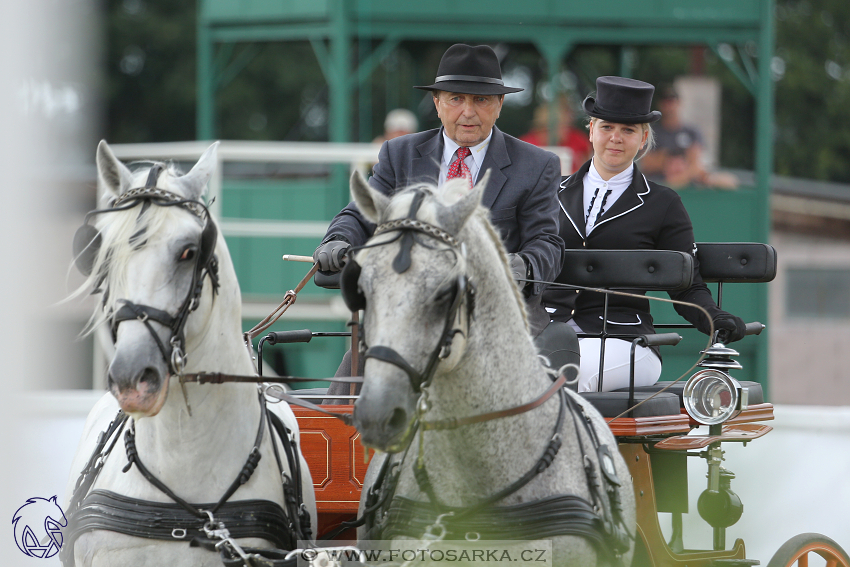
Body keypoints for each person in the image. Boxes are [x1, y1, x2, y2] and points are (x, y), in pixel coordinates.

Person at [314, 43, 564, 386]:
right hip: (408, 315)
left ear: (499, 105)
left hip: (495, 320)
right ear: (437, 103)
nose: (468, 112)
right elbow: (361, 214)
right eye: (456, 99)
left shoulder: (537, 165)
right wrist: (338, 240)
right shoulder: (398, 153)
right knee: (344, 396)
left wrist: (515, 268)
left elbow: (547, 244)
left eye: (481, 100)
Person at [541, 76, 747, 393]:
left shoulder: (663, 203)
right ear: (591, 129)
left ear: (643, 137)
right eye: (607, 127)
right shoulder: (551, 192)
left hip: (625, 340)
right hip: (548, 328)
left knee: (562, 376)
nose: (616, 138)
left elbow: (687, 285)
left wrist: (714, 318)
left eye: (628, 130)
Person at [641, 85, 738, 189]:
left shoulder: (692, 132)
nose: (669, 106)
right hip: (658, 184)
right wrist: (680, 162)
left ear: (679, 103)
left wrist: (663, 159)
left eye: (672, 101)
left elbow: (696, 164)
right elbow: (647, 163)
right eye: (665, 102)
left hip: (689, 186)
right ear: (660, 104)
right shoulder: (653, 132)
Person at [520, 96, 591, 173]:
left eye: (563, 126)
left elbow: (587, 168)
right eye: (546, 129)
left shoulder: (579, 139)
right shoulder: (526, 144)